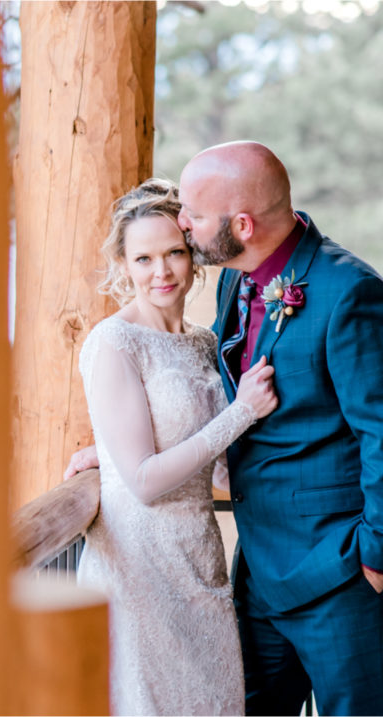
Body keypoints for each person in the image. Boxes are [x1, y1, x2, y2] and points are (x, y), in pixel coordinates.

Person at [68, 142, 383, 716]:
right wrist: (119, 452)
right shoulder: (235, 283)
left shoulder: (351, 294)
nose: (184, 224)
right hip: (254, 574)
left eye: (193, 217)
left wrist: (376, 561)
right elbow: (208, 412)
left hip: (344, 574)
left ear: (241, 225)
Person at [73, 178, 278, 716]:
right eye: (143, 258)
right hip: (139, 570)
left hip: (199, 562)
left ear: (193, 257)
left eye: (174, 253)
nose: (160, 271)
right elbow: (143, 482)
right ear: (123, 265)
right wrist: (242, 413)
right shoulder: (113, 343)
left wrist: (105, 453)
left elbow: (215, 467)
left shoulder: (205, 342)